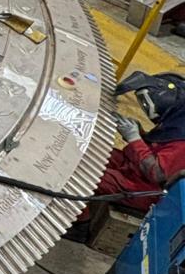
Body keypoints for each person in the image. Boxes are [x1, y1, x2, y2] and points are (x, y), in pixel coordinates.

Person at [71, 71, 185, 240]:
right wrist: (138, 132)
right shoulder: (177, 121)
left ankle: (80, 226)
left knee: (81, 177)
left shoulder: (182, 142)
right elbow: (159, 147)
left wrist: (134, 139)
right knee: (87, 152)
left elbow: (156, 173)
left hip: (145, 189)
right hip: (134, 167)